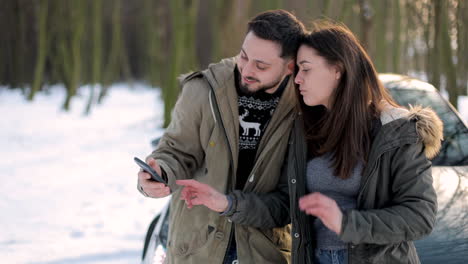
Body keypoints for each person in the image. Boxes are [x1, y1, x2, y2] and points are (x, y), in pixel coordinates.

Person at [137, 10, 305, 264]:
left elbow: (287, 201)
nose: (247, 69)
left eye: (261, 65)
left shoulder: (304, 107)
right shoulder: (204, 89)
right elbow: (176, 151)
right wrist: (161, 171)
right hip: (197, 250)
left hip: (263, 254)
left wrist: (228, 204)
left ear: (290, 66)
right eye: (244, 56)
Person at [288, 21, 443, 263]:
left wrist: (346, 223)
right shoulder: (305, 129)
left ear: (337, 69)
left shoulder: (395, 132)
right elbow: (284, 200)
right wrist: (230, 203)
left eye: (305, 69)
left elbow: (420, 216)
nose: (297, 79)